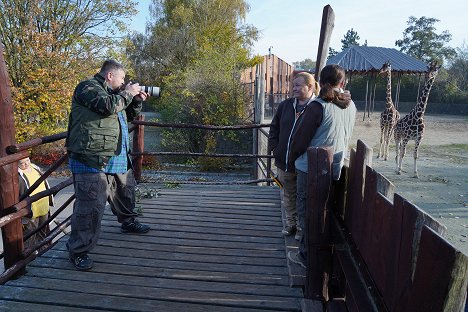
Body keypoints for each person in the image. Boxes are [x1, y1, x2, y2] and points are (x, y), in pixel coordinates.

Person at [65, 59, 151, 271]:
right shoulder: (87, 88)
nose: (124, 83)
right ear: (110, 75)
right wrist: (128, 93)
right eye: (122, 78)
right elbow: (107, 107)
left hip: (116, 155)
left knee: (125, 191)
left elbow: (126, 115)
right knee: (90, 206)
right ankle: (79, 251)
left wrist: (136, 100)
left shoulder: (115, 94)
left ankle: (128, 222)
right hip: (91, 157)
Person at [287, 64, 357, 268]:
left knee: (306, 212)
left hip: (309, 169)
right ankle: (318, 256)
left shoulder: (318, 106)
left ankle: (307, 257)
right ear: (342, 83)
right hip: (335, 169)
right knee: (325, 213)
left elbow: (300, 140)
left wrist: (291, 158)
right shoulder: (351, 106)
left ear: (320, 82)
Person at [268, 72, 319, 237]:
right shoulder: (285, 106)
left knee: (302, 197)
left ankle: (301, 229)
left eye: (298, 85)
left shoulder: (317, 107)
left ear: (310, 87)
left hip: (304, 162)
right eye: (293, 85)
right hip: (284, 161)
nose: (294, 89)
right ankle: (291, 225)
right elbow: (274, 127)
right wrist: (275, 148)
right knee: (288, 194)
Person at [18, 157, 53, 250]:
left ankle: (44, 253)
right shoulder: (17, 175)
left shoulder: (35, 168)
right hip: (31, 210)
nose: (26, 164)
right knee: (30, 236)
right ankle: (30, 259)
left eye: (27, 160)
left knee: (43, 233)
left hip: (43, 206)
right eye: (22, 163)